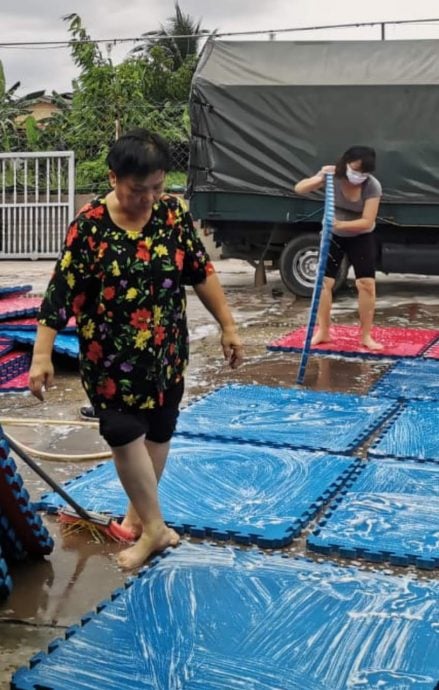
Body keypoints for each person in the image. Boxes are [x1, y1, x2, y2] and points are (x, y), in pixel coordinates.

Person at [28, 128, 243, 570]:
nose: (147, 199)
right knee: (124, 433)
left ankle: (137, 519)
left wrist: (228, 325)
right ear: (113, 179)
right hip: (110, 360)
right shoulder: (89, 226)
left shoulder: (171, 215)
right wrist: (41, 355)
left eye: (157, 188)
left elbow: (201, 273)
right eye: (136, 190)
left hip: (165, 354)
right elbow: (60, 294)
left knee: (160, 429)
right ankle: (156, 530)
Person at [294, 145, 383, 350]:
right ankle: (324, 331)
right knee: (324, 283)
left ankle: (366, 336)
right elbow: (299, 188)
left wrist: (341, 224)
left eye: (364, 172)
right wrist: (319, 178)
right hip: (332, 235)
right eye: (355, 169)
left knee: (366, 284)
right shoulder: (333, 176)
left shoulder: (372, 186)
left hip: (360, 235)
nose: (358, 175)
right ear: (345, 163)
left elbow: (367, 221)